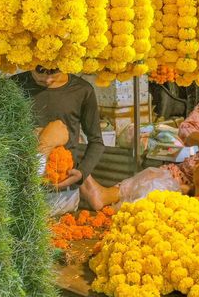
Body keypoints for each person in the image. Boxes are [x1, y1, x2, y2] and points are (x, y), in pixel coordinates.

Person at [12, 66, 119, 212]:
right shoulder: (13, 87)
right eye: (40, 70)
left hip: (63, 194)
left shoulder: (82, 90)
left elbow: (96, 142)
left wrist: (82, 173)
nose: (47, 79)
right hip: (20, 190)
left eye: (53, 71)